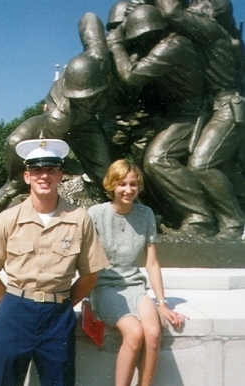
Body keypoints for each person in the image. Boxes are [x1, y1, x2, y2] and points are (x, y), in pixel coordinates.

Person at [0, 138, 109, 386]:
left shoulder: (79, 220)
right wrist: (16, 303)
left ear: (61, 176)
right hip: (15, 313)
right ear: (27, 176)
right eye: (37, 170)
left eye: (51, 169)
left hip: (58, 316)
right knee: (4, 381)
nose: (44, 176)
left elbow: (90, 276)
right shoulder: (7, 220)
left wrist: (60, 301)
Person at [108, 5, 218, 236]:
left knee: (159, 159)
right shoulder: (162, 44)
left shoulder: (173, 46)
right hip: (169, 116)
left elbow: (131, 76)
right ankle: (162, 213)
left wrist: (116, 45)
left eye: (145, 38)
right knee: (141, 155)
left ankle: (200, 218)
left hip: (190, 116)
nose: (142, 43)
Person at [0, 13, 112, 212]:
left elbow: (88, 19)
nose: (89, 102)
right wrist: (71, 165)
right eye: (82, 100)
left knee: (105, 172)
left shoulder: (100, 60)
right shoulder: (60, 116)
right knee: (14, 142)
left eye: (93, 96)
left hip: (86, 125)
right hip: (54, 121)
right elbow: (43, 151)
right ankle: (14, 183)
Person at [89, 159, 187, 386]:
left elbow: (152, 262)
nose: (128, 190)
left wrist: (162, 303)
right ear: (112, 184)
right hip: (105, 288)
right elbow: (85, 259)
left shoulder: (146, 214)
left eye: (133, 184)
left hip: (135, 287)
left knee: (153, 333)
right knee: (134, 333)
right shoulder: (96, 213)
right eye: (122, 184)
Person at [156, 0, 245, 239]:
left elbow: (172, 12)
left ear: (208, 16)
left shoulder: (213, 31)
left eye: (195, 8)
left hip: (228, 107)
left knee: (203, 165)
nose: (190, 12)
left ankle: (234, 225)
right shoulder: (214, 36)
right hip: (215, 108)